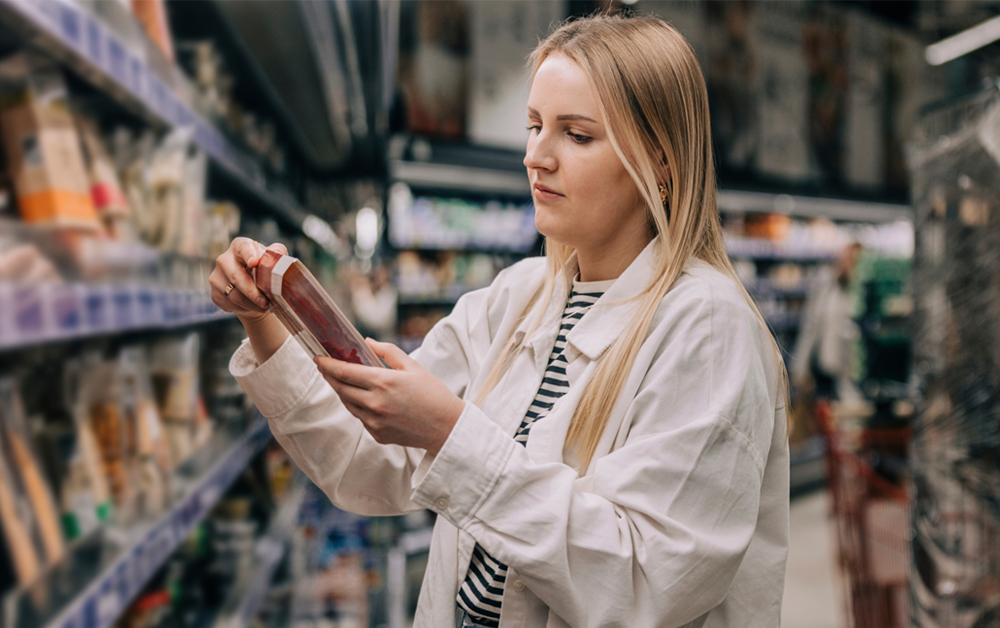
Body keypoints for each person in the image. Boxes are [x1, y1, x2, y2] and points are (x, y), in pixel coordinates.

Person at [211, 14, 789, 628]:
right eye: (536, 125)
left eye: (577, 135)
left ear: (661, 161)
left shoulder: (707, 328)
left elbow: (642, 585)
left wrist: (450, 433)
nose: (535, 156)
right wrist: (266, 320)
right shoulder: (517, 299)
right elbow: (360, 460)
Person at [791, 242, 863, 403]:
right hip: (825, 368)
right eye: (847, 260)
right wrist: (801, 370)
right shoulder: (827, 287)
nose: (848, 265)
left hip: (851, 375)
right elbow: (810, 328)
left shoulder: (861, 294)